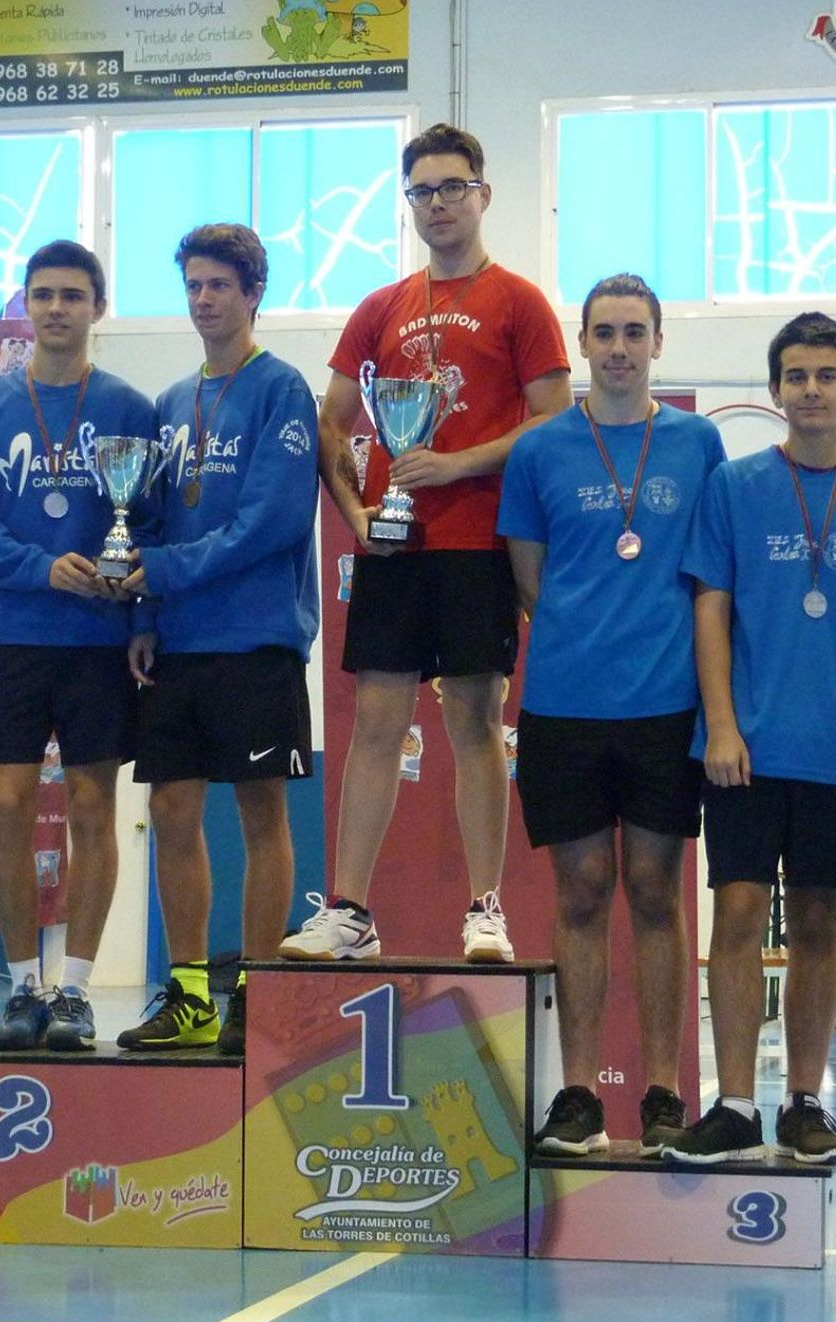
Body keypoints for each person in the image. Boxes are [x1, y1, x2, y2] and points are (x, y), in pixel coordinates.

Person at [284, 122, 571, 963]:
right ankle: (349, 911)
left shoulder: (518, 302)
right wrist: (358, 517)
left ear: (483, 193)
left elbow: (551, 422)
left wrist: (456, 466)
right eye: (422, 191)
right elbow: (330, 430)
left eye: (453, 187)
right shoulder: (379, 309)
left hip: (480, 544)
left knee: (476, 722)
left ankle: (487, 908)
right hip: (395, 552)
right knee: (376, 723)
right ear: (406, 203)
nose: (438, 203)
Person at [665, 313, 836, 1167]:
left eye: (826, 376)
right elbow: (711, 609)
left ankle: (805, 1099)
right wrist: (722, 725)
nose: (811, 390)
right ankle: (736, 1100)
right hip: (744, 746)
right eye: (796, 376)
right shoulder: (734, 487)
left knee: (820, 921)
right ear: (776, 391)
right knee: (737, 911)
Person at [503, 275, 725, 1155]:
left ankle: (665, 1091)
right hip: (564, 705)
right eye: (605, 333)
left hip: (667, 706)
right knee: (584, 891)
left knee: (655, 893)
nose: (620, 348)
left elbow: (715, 574)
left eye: (636, 332)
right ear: (583, 344)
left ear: (659, 343)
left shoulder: (698, 443)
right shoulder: (539, 450)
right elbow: (530, 579)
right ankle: (580, 1094)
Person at [0, 240, 158, 1052]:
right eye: (43, 295)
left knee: (96, 809)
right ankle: (21, 985)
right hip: (16, 636)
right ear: (26, 306)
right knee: (5, 807)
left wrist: (142, 620)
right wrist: (39, 568)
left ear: (98, 307)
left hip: (99, 638)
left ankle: (74, 991)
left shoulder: (131, 410)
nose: (57, 308)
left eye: (73, 294)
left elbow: (153, 526)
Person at [116, 224, 319, 1055]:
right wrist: (142, 618)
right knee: (170, 808)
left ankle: (260, 995)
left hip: (258, 637)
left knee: (260, 809)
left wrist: (163, 574)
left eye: (220, 287)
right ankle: (193, 992)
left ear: (252, 295)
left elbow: (269, 522)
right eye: (194, 285)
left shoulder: (282, 390)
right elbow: (150, 522)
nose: (205, 300)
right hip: (181, 644)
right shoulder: (168, 406)